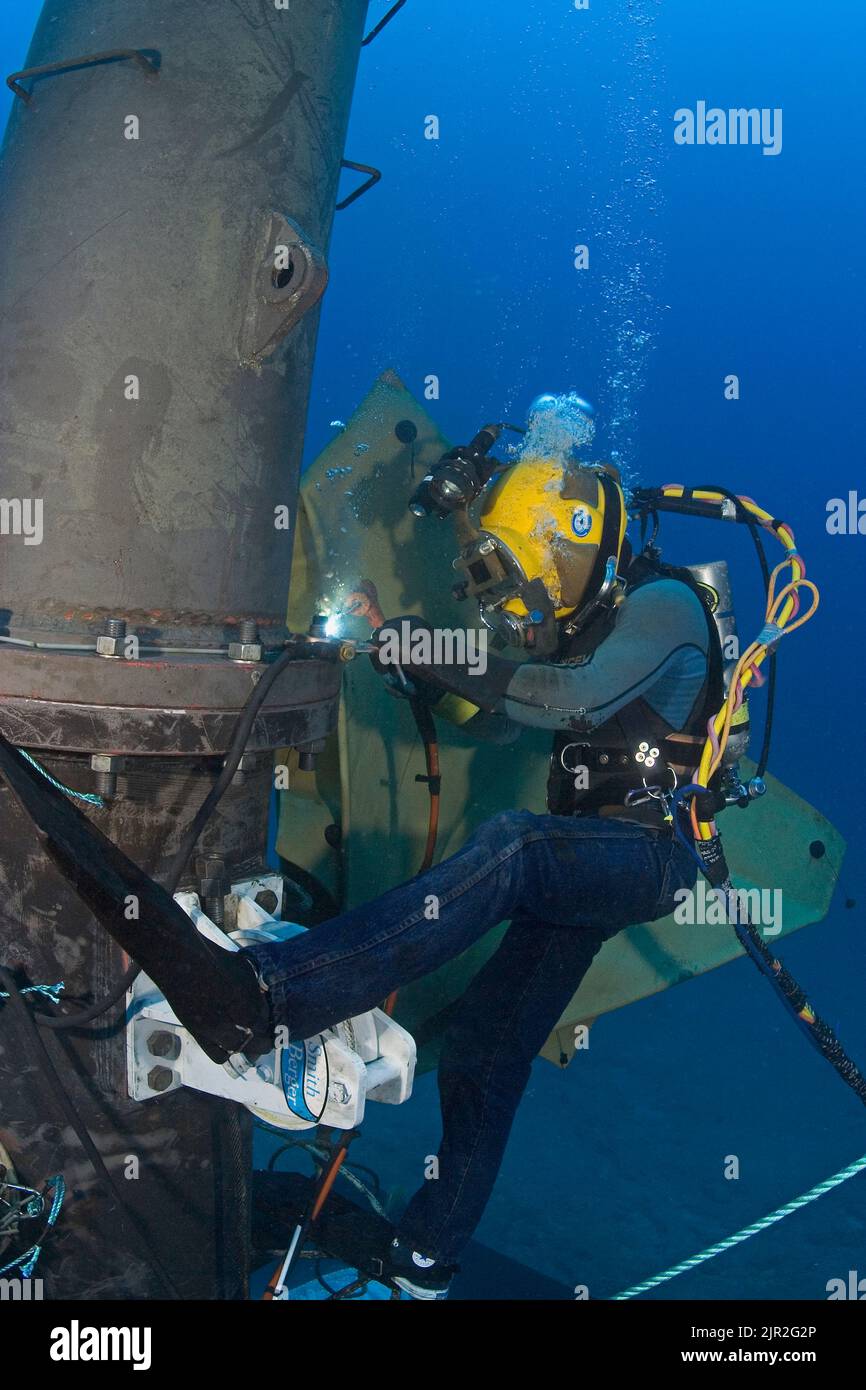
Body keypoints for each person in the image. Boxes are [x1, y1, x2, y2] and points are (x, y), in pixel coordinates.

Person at [10, 400, 719, 1299]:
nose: (512, 611)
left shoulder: (663, 606)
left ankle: (268, 999)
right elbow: (503, 716)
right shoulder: (596, 629)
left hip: (646, 856)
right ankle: (427, 1261)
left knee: (514, 849)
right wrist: (400, 643)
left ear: (568, 551)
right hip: (588, 859)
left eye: (519, 587)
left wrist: (421, 646)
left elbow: (554, 700)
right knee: (484, 1050)